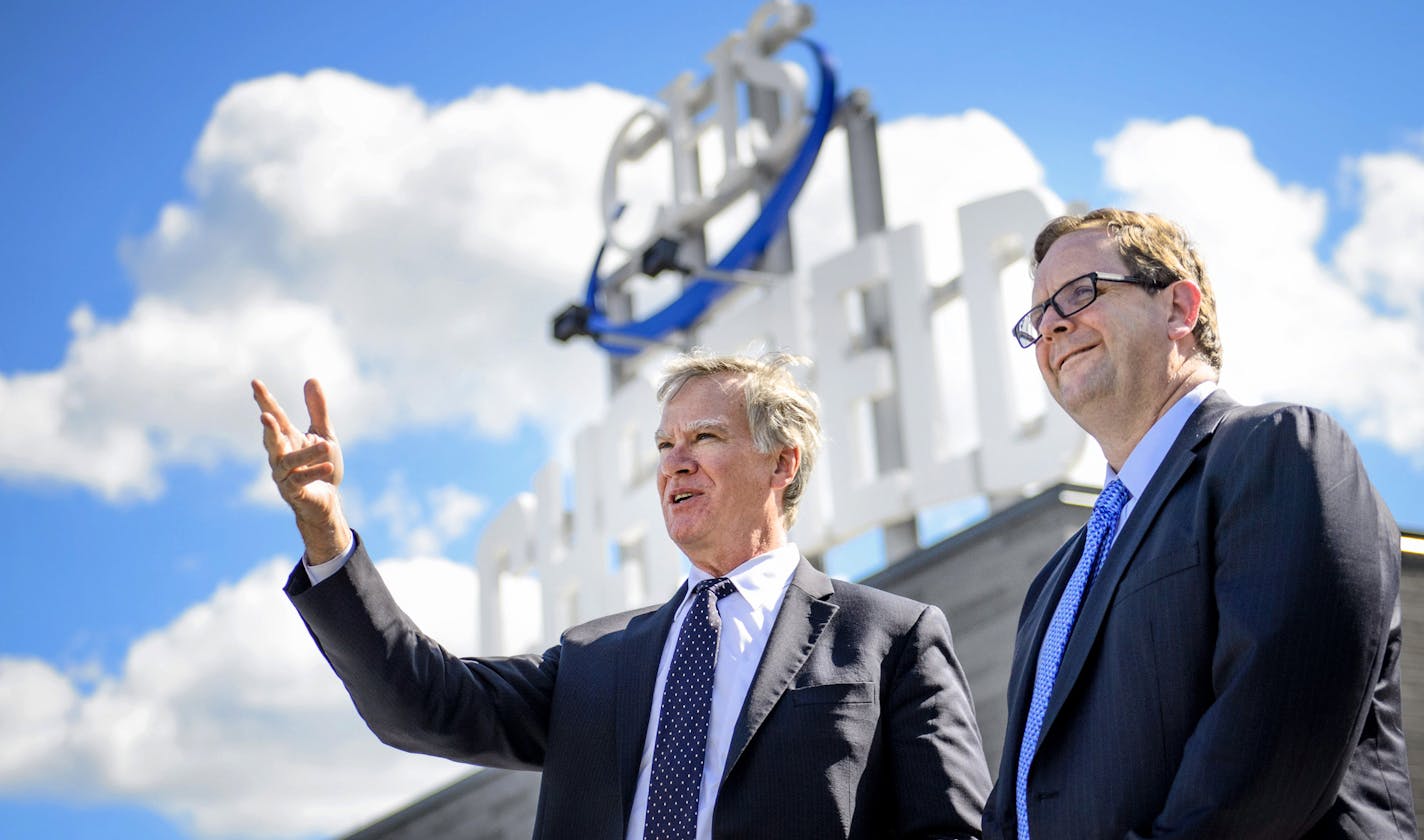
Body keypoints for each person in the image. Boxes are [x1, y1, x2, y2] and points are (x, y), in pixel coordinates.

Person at [254, 351, 991, 840]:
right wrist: (326, 532)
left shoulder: (889, 638)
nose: (676, 463)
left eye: (704, 437)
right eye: (664, 446)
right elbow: (423, 701)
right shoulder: (592, 662)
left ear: (781, 464)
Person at [983, 208, 1416, 839]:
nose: (1051, 325)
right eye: (1038, 315)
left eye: (1080, 293)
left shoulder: (1276, 450)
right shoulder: (1057, 582)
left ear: (1180, 309)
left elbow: (1274, 727)